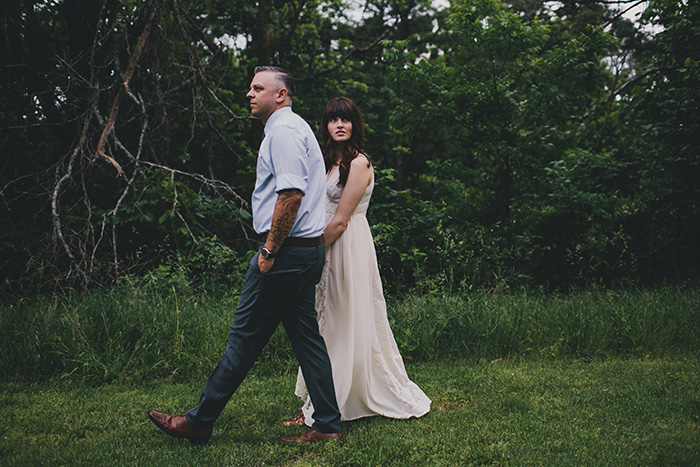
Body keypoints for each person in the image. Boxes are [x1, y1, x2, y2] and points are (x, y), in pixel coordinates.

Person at [147, 66, 342, 445]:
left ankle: (199, 420)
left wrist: (269, 250)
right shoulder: (294, 127)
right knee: (307, 340)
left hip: (286, 255)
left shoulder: (284, 132)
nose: (249, 94)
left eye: (258, 88)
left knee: (244, 338)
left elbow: (290, 196)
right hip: (306, 252)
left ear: (281, 94)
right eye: (251, 88)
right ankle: (329, 424)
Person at [284, 97, 430, 429]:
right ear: (326, 126)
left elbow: (341, 220)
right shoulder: (325, 163)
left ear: (354, 126)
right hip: (325, 241)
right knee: (326, 322)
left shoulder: (359, 163)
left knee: (342, 321)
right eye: (333, 119)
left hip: (345, 246)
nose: (339, 125)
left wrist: (313, 252)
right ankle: (319, 401)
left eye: (345, 120)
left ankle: (335, 401)